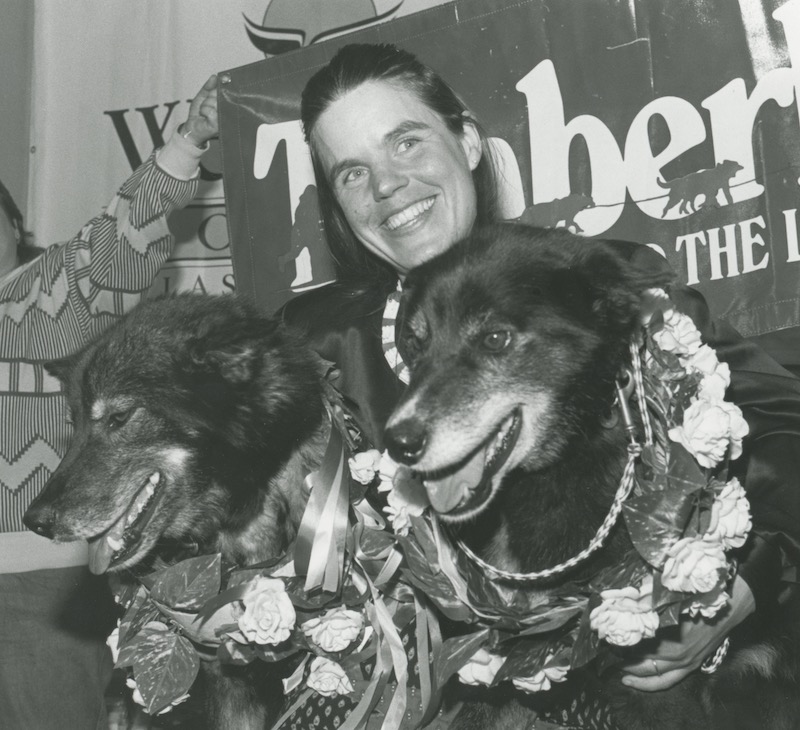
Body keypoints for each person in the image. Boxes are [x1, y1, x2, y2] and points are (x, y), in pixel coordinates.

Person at [279, 42, 800, 712]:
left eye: (406, 141)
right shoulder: (314, 344)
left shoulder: (595, 283)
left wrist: (740, 588)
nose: (385, 185)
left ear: (466, 139)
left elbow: (787, 433)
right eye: (350, 173)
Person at [0, 75, 219, 730]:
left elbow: (119, 242)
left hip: (37, 583)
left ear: (14, 224)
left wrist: (187, 142)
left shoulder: (55, 288)